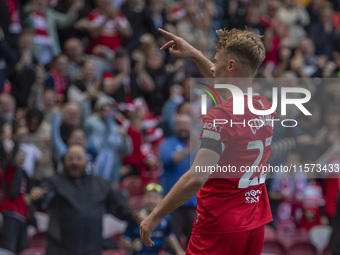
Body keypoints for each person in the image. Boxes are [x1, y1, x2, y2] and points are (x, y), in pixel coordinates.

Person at [140, 28, 275, 255]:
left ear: (231, 66)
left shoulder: (220, 116)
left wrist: (155, 215)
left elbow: (196, 177)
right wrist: (194, 53)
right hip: (255, 221)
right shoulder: (263, 105)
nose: (213, 66)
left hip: (220, 224)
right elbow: (225, 86)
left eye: (216, 60)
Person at [30, 145, 141, 255]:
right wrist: (37, 195)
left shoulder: (100, 184)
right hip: (60, 250)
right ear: (65, 161)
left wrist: (134, 215)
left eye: (79, 158)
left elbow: (118, 206)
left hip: (91, 249)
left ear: (86, 160)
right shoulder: (54, 182)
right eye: (70, 159)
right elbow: (42, 197)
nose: (75, 162)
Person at [121, 182, 185, 255]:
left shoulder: (166, 218)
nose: (151, 201)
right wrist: (132, 246)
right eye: (149, 196)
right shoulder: (136, 217)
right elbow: (123, 240)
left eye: (155, 197)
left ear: (162, 200)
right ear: (143, 198)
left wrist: (179, 251)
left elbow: (169, 236)